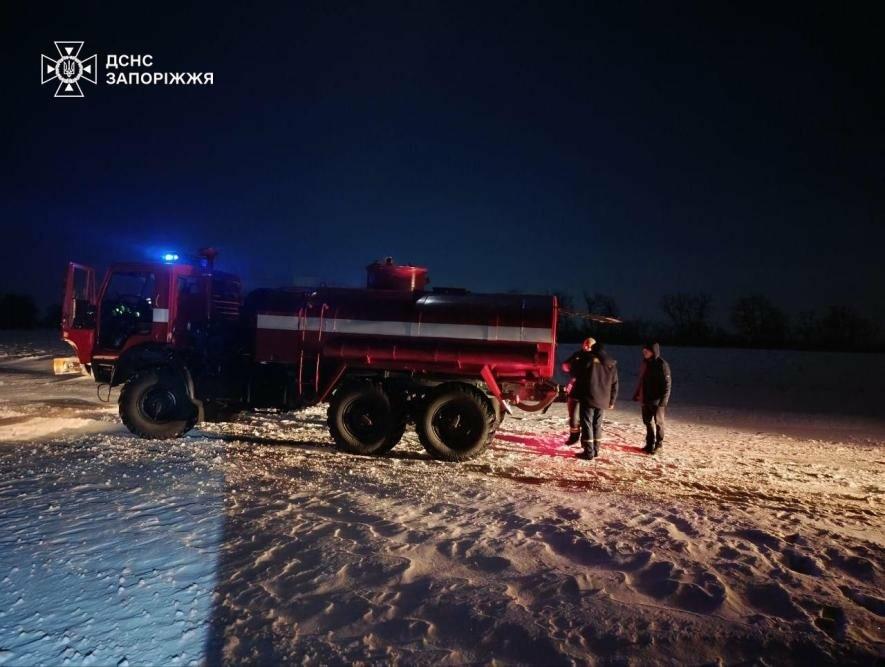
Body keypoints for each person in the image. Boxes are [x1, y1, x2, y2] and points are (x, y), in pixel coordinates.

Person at [566, 339, 618, 460]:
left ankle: (588, 452)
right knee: (597, 425)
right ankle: (596, 450)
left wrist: (573, 365)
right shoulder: (611, 363)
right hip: (603, 399)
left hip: (589, 397)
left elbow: (575, 373)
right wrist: (612, 401)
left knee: (587, 424)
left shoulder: (588, 359)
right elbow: (615, 384)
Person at [632, 342, 671, 454]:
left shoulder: (662, 364)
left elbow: (667, 384)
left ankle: (659, 445)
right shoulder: (645, 363)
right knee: (647, 422)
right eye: (643, 350)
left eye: (646, 351)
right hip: (645, 398)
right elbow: (642, 380)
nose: (644, 352)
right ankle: (649, 444)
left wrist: (664, 400)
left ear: (653, 351)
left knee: (659, 423)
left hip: (657, 400)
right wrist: (637, 394)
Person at [561, 337, 595, 445]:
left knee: (586, 419)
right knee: (573, 416)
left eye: (589, 345)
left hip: (588, 392)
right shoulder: (577, 354)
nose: (586, 346)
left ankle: (586, 440)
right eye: (585, 344)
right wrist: (567, 366)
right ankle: (574, 437)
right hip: (575, 390)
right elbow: (565, 365)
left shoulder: (594, 358)